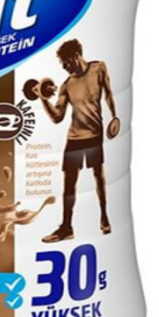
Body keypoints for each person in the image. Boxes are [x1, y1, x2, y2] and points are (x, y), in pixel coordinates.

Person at [39, 39, 117, 243]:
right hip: (74, 138)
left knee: (99, 177)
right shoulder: (67, 85)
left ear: (75, 56)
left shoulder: (99, 68)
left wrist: (114, 118)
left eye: (65, 62)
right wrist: (43, 99)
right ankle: (66, 227)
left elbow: (109, 94)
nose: (64, 67)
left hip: (94, 136)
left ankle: (104, 216)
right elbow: (57, 117)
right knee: (69, 184)